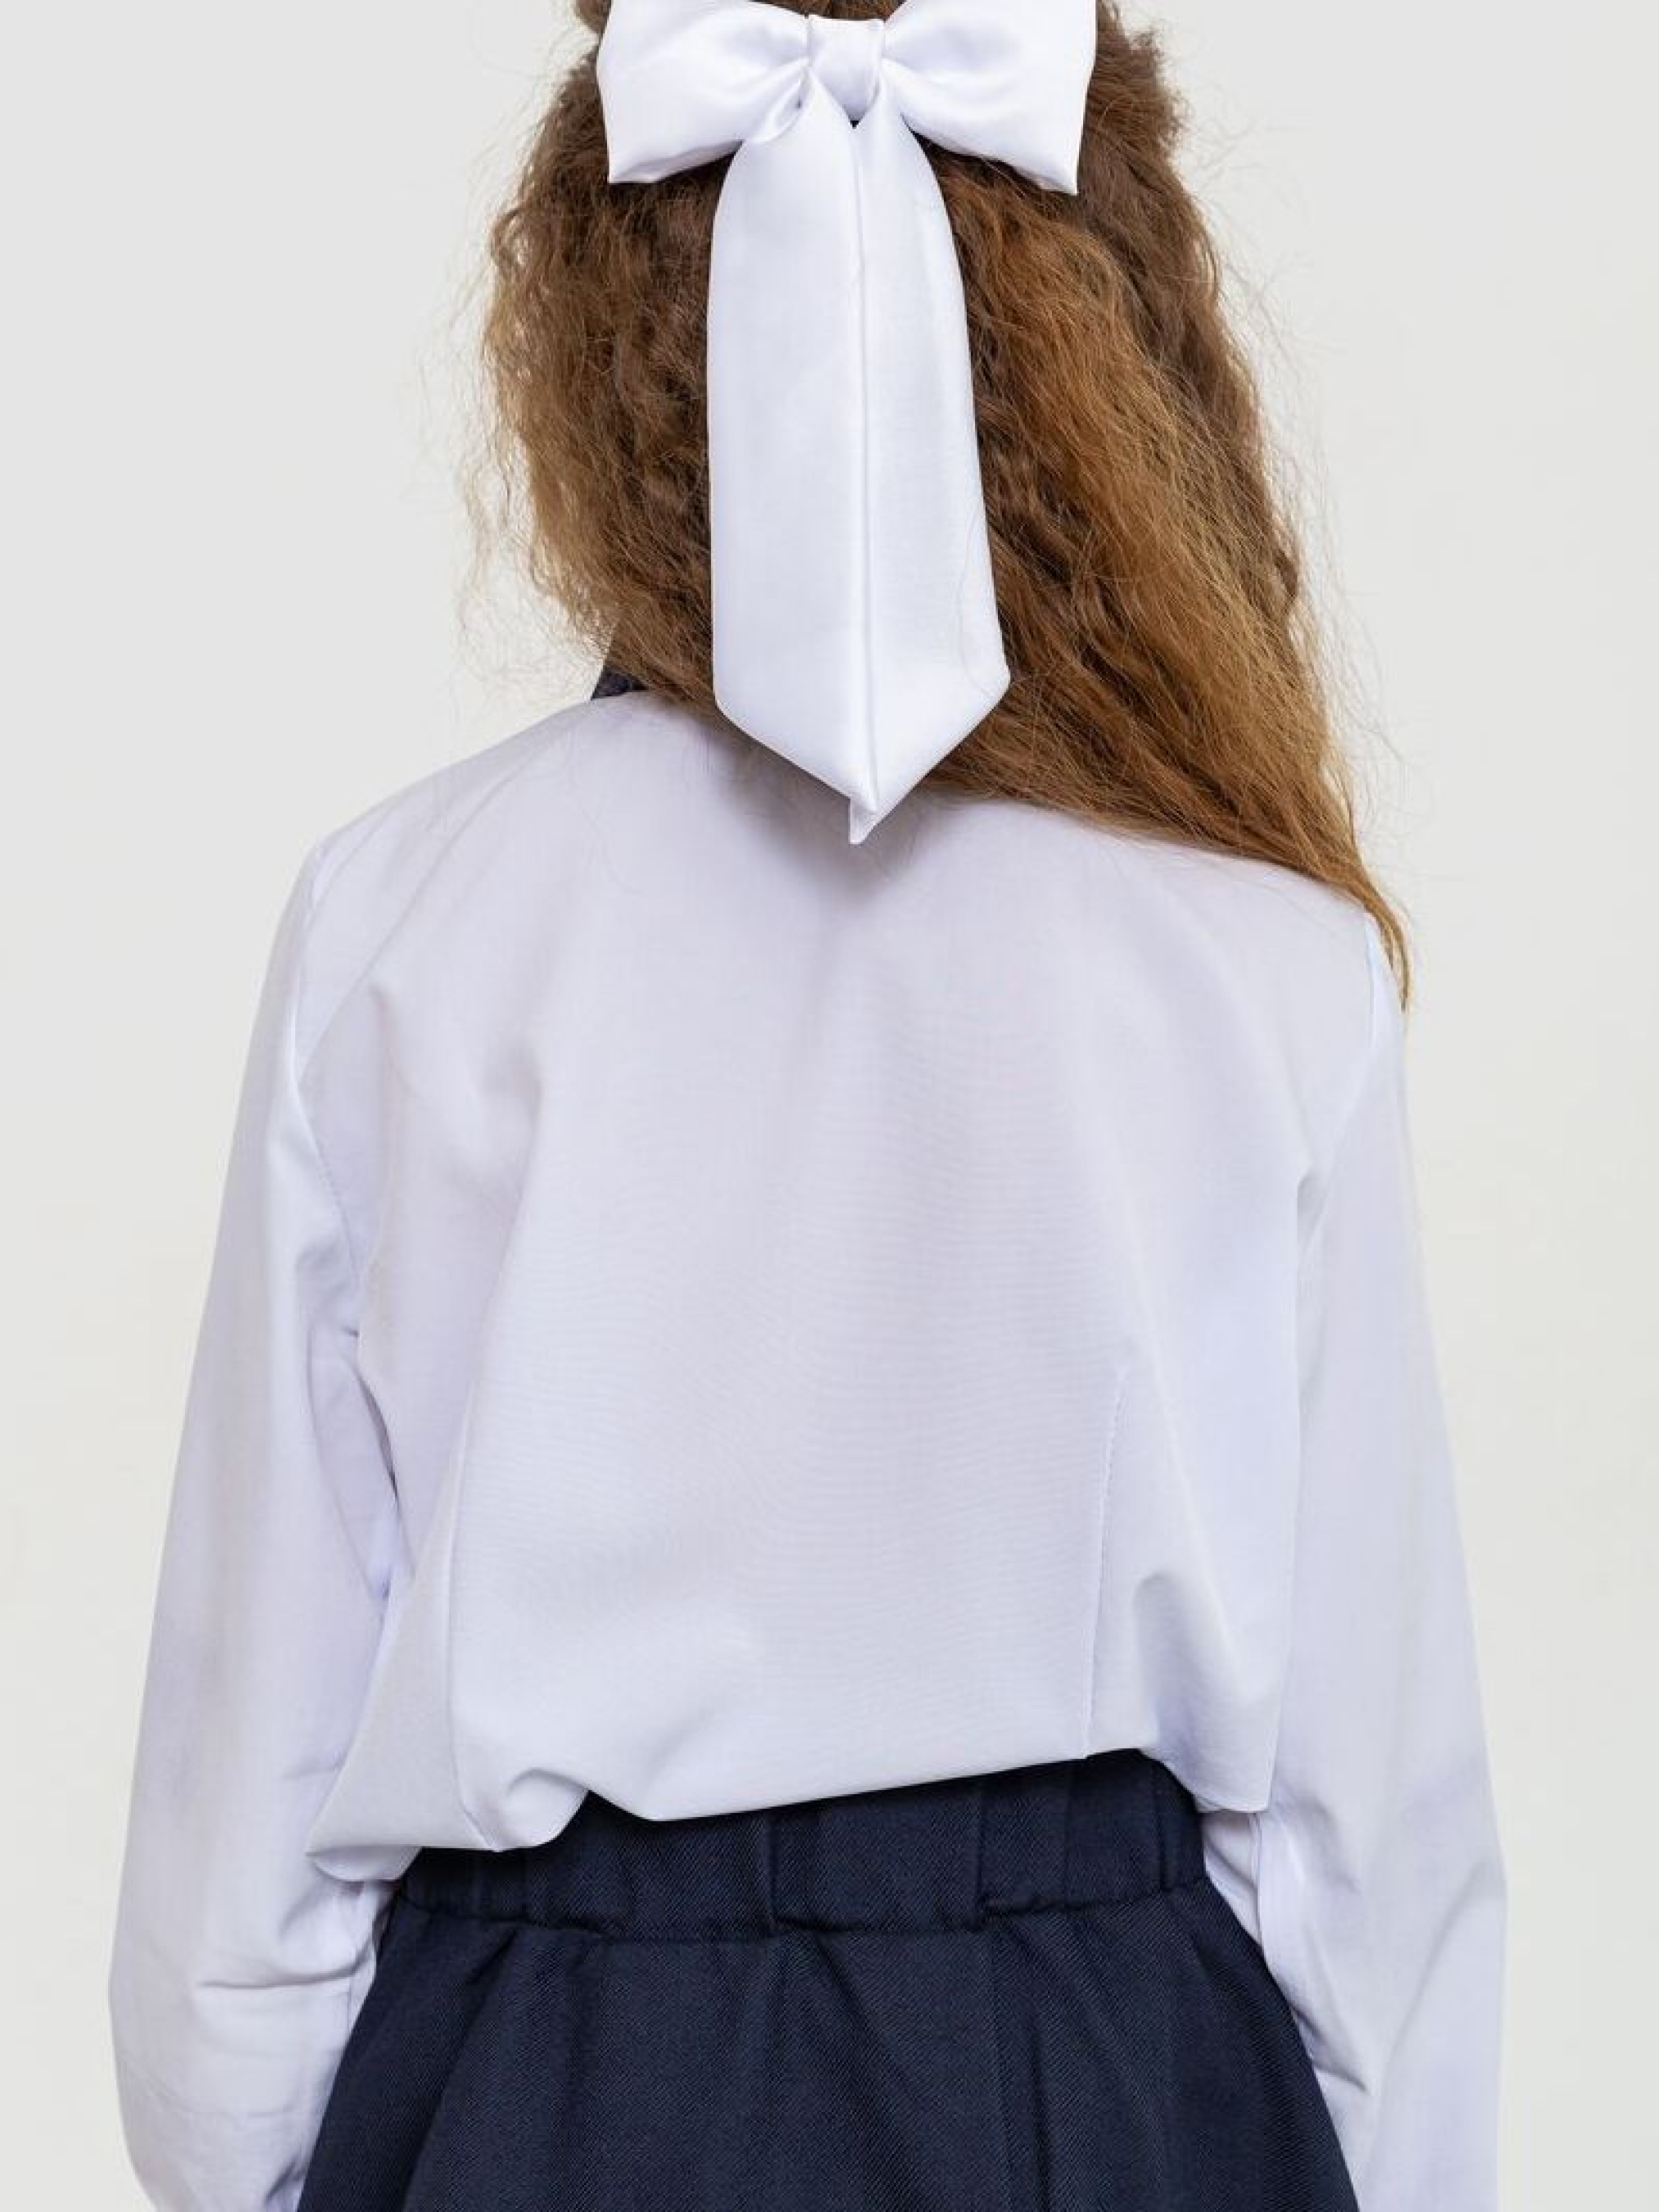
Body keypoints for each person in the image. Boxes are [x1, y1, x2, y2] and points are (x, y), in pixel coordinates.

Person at [108, 3, 1505, 2208]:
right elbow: (1366, 1824)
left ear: (599, 345)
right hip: (1105, 2079)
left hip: (546, 2084)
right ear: (1111, 327)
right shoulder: (1262, 966)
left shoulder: (402, 921)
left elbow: (248, 1795)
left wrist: (267, 2163)